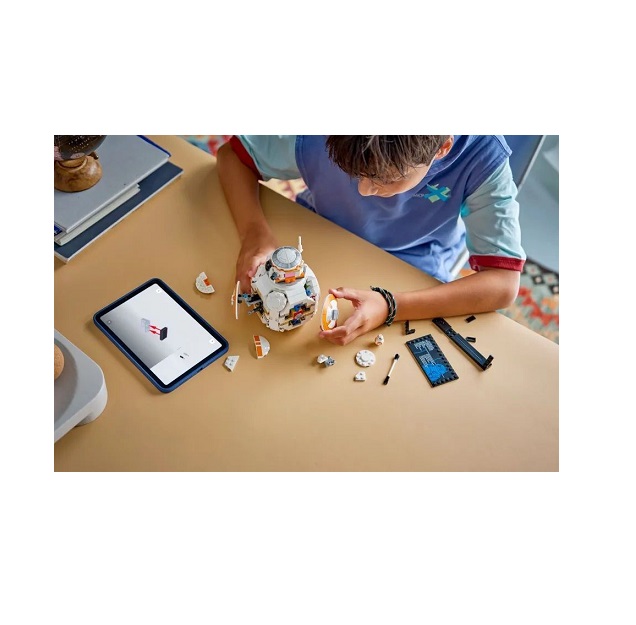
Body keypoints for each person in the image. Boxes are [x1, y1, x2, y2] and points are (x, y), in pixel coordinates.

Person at [217, 135, 525, 346]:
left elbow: (503, 283)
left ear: (443, 148)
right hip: (321, 230)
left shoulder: (483, 158)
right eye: (350, 171)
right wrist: (255, 233)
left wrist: (391, 305)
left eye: (385, 179)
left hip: (413, 267)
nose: (363, 190)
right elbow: (235, 157)